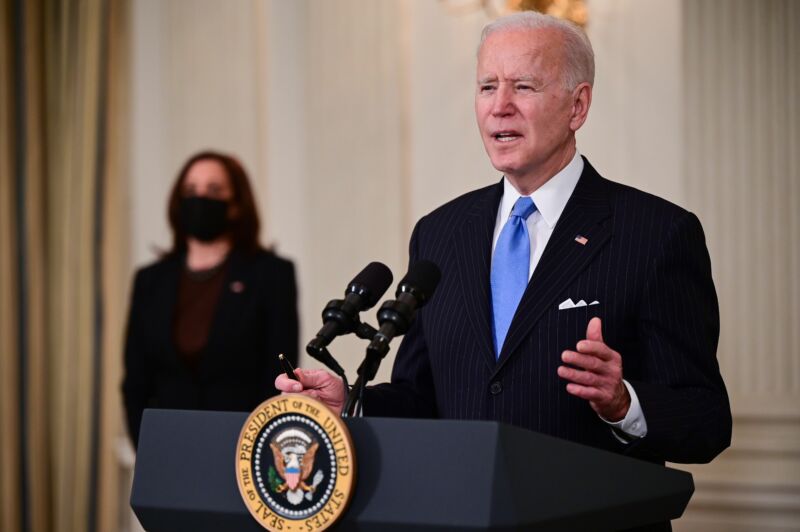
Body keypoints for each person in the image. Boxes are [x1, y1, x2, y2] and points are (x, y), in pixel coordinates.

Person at [277, 12, 731, 466]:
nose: (500, 105)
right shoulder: (440, 234)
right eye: (487, 86)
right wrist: (353, 406)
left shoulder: (656, 234)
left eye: (524, 86)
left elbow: (707, 421)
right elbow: (423, 397)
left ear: (578, 106)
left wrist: (623, 403)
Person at [123, 150, 298, 447]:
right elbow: (136, 378)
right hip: (166, 445)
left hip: (242, 447)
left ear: (235, 205)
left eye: (214, 190)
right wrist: (146, 445)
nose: (200, 198)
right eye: (191, 190)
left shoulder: (271, 274)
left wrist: (259, 448)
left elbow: (277, 376)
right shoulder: (151, 280)